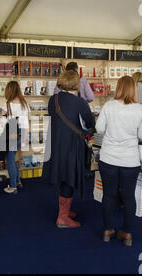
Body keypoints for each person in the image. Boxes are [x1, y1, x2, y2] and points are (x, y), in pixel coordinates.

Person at [96, 76, 142, 246]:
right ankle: (127, 233)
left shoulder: (109, 106)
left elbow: (99, 129)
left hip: (108, 158)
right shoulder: (140, 109)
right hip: (130, 160)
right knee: (128, 196)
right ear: (133, 89)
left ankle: (107, 229)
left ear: (117, 87)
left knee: (109, 195)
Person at [42, 70, 95, 228]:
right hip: (71, 144)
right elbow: (90, 122)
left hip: (55, 144)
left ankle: (64, 210)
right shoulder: (79, 102)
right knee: (69, 177)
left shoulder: (53, 100)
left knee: (61, 175)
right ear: (75, 84)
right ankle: (63, 217)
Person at [0, 81, 30, 195]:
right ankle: (17, 182)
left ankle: (13, 187)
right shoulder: (24, 104)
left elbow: (0, 122)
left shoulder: (7, 105)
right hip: (22, 134)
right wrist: (25, 138)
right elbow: (27, 122)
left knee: (10, 159)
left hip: (11, 135)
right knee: (13, 157)